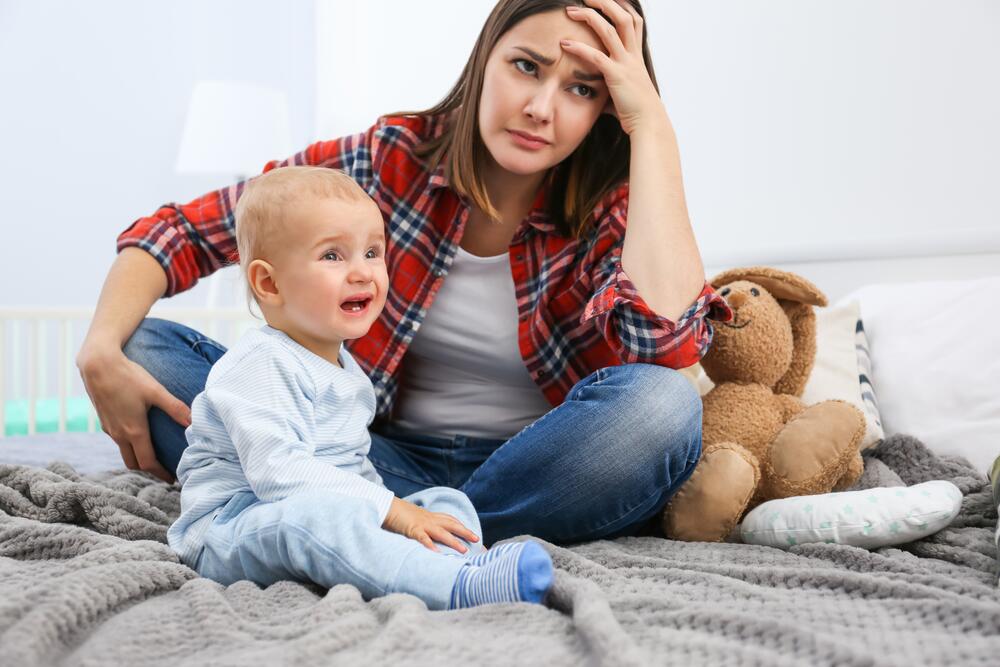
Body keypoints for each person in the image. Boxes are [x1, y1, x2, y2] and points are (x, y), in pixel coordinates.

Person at [77, 0, 732, 548]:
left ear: (605, 108)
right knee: (143, 347)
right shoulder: (389, 158)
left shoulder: (617, 205)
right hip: (362, 459)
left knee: (664, 406)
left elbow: (671, 347)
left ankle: (389, 524)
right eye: (525, 66)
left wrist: (652, 127)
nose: (540, 107)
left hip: (538, 470)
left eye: (581, 89)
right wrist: (100, 345)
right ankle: (411, 523)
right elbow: (179, 233)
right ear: (485, 60)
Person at [166, 165, 553, 609]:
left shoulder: (345, 368)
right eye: (333, 256)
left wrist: (401, 515)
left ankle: (462, 562)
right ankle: (453, 588)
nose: (363, 272)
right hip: (232, 527)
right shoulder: (259, 364)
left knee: (443, 500)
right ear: (269, 283)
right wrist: (391, 511)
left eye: (372, 252)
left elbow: (353, 470)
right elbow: (280, 474)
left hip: (317, 509)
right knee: (322, 520)